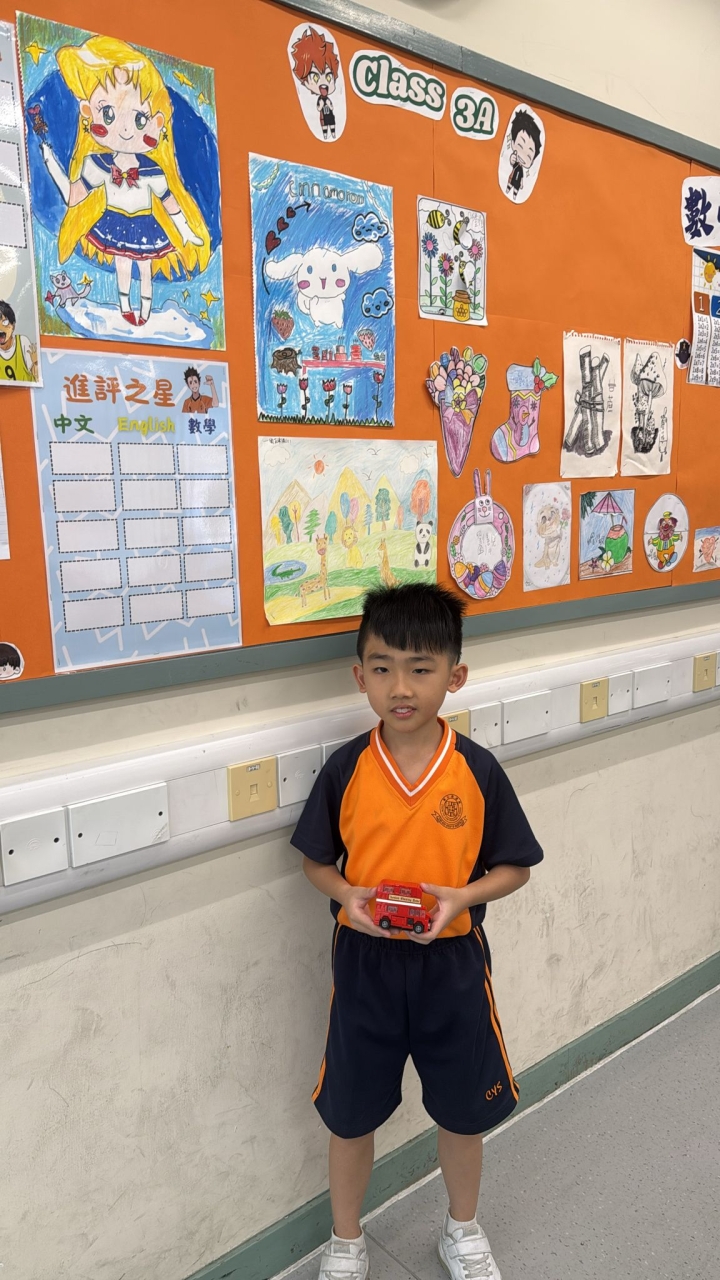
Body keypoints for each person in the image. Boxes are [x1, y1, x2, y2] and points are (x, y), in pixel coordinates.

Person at [292, 583, 543, 1280]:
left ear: (454, 677)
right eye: (382, 668)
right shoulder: (346, 769)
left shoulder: (476, 769)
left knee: (462, 1112)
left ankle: (462, 1229)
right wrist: (347, 894)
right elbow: (316, 862)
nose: (400, 687)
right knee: (350, 1114)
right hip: (364, 965)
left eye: (420, 669)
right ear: (360, 676)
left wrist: (462, 897)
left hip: (452, 966)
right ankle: (346, 1241)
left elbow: (516, 867)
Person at [38, 35, 209, 326]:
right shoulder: (98, 165)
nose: (126, 129)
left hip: (145, 222)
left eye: (139, 119)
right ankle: (125, 307)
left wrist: (186, 231)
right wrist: (50, 162)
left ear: (156, 124)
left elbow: (169, 201)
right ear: (88, 113)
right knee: (123, 265)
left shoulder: (153, 170)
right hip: (115, 220)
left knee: (145, 267)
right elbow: (73, 196)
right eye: (109, 113)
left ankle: (145, 310)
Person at [290, 26, 340, 140]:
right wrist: (322, 104)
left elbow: (332, 106)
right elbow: (318, 108)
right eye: (315, 77)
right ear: (305, 82)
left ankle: (332, 133)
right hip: (323, 116)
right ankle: (326, 135)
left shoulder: (328, 98)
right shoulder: (319, 99)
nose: (323, 82)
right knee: (324, 125)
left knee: (331, 123)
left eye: (329, 77)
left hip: (330, 115)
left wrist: (329, 104)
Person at [505, 108, 542, 201]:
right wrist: (512, 159)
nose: (523, 156)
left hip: (517, 181)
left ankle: (514, 194)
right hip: (512, 179)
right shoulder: (516, 164)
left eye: (529, 156)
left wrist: (521, 183)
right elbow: (512, 163)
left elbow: (521, 177)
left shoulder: (521, 169)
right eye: (520, 146)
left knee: (516, 187)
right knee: (510, 184)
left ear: (532, 161)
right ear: (513, 143)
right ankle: (508, 189)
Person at [0, 301, 37, 382]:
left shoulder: (22, 342)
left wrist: (36, 363)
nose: (0, 327)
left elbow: (37, 377)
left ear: (13, 326)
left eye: (4, 322)